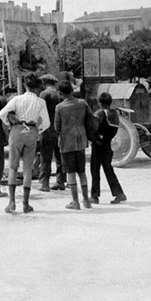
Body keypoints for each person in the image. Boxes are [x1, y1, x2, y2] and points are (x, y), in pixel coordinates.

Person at [0, 74, 50, 214]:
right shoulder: (40, 102)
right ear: (37, 87)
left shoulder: (16, 99)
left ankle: (11, 202)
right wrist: (37, 130)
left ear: (25, 85)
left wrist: (10, 123)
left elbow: (2, 113)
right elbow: (46, 122)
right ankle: (26, 204)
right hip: (31, 132)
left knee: (13, 167)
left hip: (16, 131)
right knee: (27, 168)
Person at [55, 79, 92, 211]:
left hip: (67, 141)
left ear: (60, 93)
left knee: (71, 172)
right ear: (72, 90)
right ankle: (86, 200)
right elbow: (90, 118)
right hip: (81, 140)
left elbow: (57, 126)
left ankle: (75, 201)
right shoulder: (82, 103)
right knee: (82, 171)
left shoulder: (59, 107)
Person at [90, 92, 128, 203]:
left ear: (100, 102)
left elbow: (94, 128)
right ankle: (119, 193)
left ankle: (94, 196)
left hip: (98, 145)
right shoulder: (114, 114)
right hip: (108, 144)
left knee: (95, 170)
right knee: (108, 169)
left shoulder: (100, 114)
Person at [38, 73, 66, 192]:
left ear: (44, 83)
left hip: (47, 129)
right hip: (59, 130)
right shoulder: (60, 94)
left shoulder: (44, 94)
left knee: (46, 157)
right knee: (60, 158)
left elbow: (40, 111)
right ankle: (60, 182)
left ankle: (45, 183)